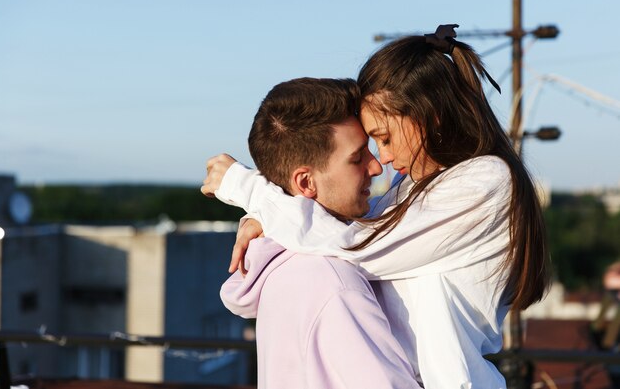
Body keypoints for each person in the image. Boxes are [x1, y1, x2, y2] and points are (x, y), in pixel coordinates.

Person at [203, 25, 552, 389]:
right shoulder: (415, 186)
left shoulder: (486, 183)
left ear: (427, 115)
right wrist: (265, 216)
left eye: (384, 138)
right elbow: (340, 227)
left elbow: (356, 246)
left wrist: (248, 189)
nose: (382, 159)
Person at [218, 77, 420, 389]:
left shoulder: (285, 268)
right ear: (306, 183)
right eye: (357, 158)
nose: (377, 167)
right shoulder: (334, 283)